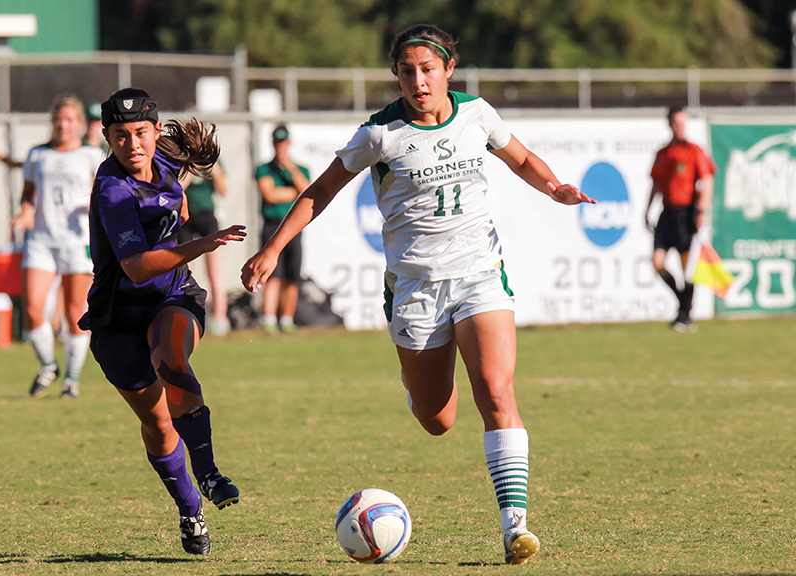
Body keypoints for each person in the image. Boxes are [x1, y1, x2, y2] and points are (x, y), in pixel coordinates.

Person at [241, 24, 595, 565]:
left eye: (427, 69)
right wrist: (271, 249)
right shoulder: (379, 134)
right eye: (406, 71)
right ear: (396, 76)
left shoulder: (477, 113)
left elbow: (521, 159)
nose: (417, 80)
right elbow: (319, 192)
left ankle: (514, 526)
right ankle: (417, 384)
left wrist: (555, 188)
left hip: (480, 275)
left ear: (449, 69)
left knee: (497, 393)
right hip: (415, 290)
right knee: (437, 419)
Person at [78, 88, 246, 555]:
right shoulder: (112, 189)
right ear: (107, 138)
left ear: (155, 130)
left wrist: (182, 206)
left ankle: (209, 472)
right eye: (120, 136)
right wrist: (200, 243)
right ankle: (190, 508)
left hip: (173, 296)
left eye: (141, 133)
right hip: (118, 318)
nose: (133, 145)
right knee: (157, 423)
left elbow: (182, 182)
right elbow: (136, 267)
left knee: (172, 361)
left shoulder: (167, 156)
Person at [10, 94, 106, 398]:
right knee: (33, 309)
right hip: (40, 240)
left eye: (69, 120)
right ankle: (48, 365)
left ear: (78, 124)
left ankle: (72, 379)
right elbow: (27, 192)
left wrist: (92, 207)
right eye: (58, 119)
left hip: (76, 241)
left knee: (75, 311)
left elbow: (105, 194)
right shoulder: (37, 154)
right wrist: (26, 209)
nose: (62, 125)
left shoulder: (92, 155)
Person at [645, 105, 716, 333]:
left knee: (688, 269)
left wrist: (701, 210)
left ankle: (685, 315)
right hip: (667, 213)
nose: (679, 127)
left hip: (687, 213)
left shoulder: (694, 151)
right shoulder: (663, 153)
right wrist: (647, 210)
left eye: (682, 123)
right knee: (658, 263)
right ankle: (683, 304)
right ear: (669, 124)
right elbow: (656, 184)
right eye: (675, 122)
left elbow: (706, 180)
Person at [254, 125, 310, 333]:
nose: (280, 148)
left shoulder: (300, 169)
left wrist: (291, 171)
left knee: (291, 275)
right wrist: (294, 192)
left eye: (283, 143)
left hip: (293, 228)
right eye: (277, 143)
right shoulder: (264, 169)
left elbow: (307, 191)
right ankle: (269, 318)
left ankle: (287, 319)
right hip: (272, 227)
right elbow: (270, 195)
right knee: (272, 274)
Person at [179, 162, 230, 335]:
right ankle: (185, 315)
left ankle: (219, 319)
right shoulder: (181, 159)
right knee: (185, 271)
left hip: (207, 217)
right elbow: (177, 189)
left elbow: (223, 190)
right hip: (186, 218)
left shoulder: (213, 159)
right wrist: (190, 169)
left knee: (214, 273)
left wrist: (214, 169)